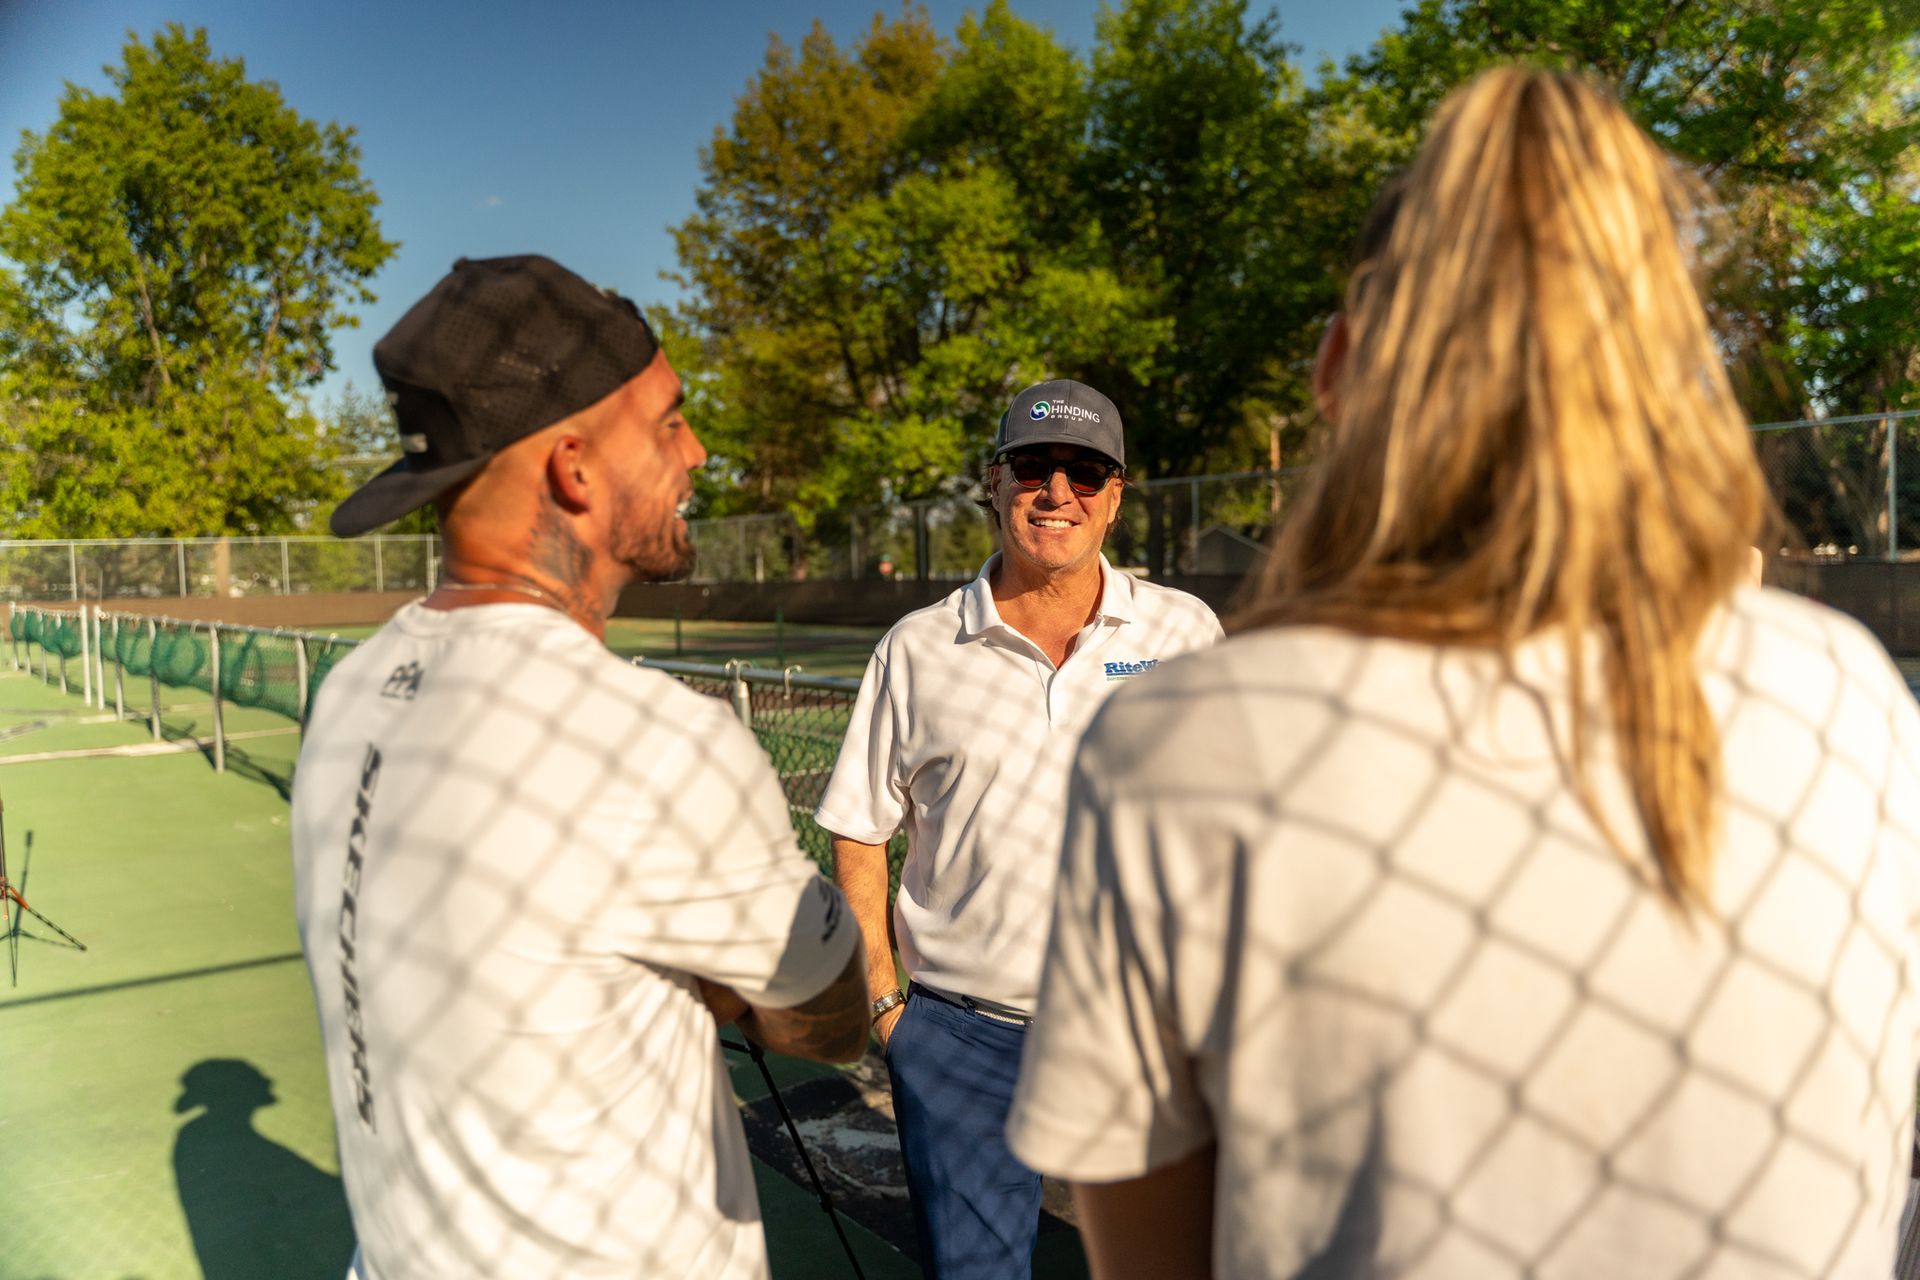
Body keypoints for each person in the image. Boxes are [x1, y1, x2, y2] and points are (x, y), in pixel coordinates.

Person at [1007, 69, 1920, 1279]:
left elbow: (1155, 1252)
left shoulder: (1183, 746)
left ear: (1340, 370)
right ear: (1661, 368)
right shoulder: (1850, 699)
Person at [290, 255, 869, 1280]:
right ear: (576, 468)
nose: (695, 450)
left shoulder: (348, 691)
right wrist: (744, 992)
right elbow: (832, 1013)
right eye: (668, 420)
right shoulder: (649, 739)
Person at [815, 380, 1223, 1278]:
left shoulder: (1185, 632)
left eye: (1086, 472)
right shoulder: (919, 648)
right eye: (1034, 467)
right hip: (965, 1035)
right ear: (993, 483)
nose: (1058, 492)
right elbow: (858, 829)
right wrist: (887, 1006)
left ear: (1116, 497)